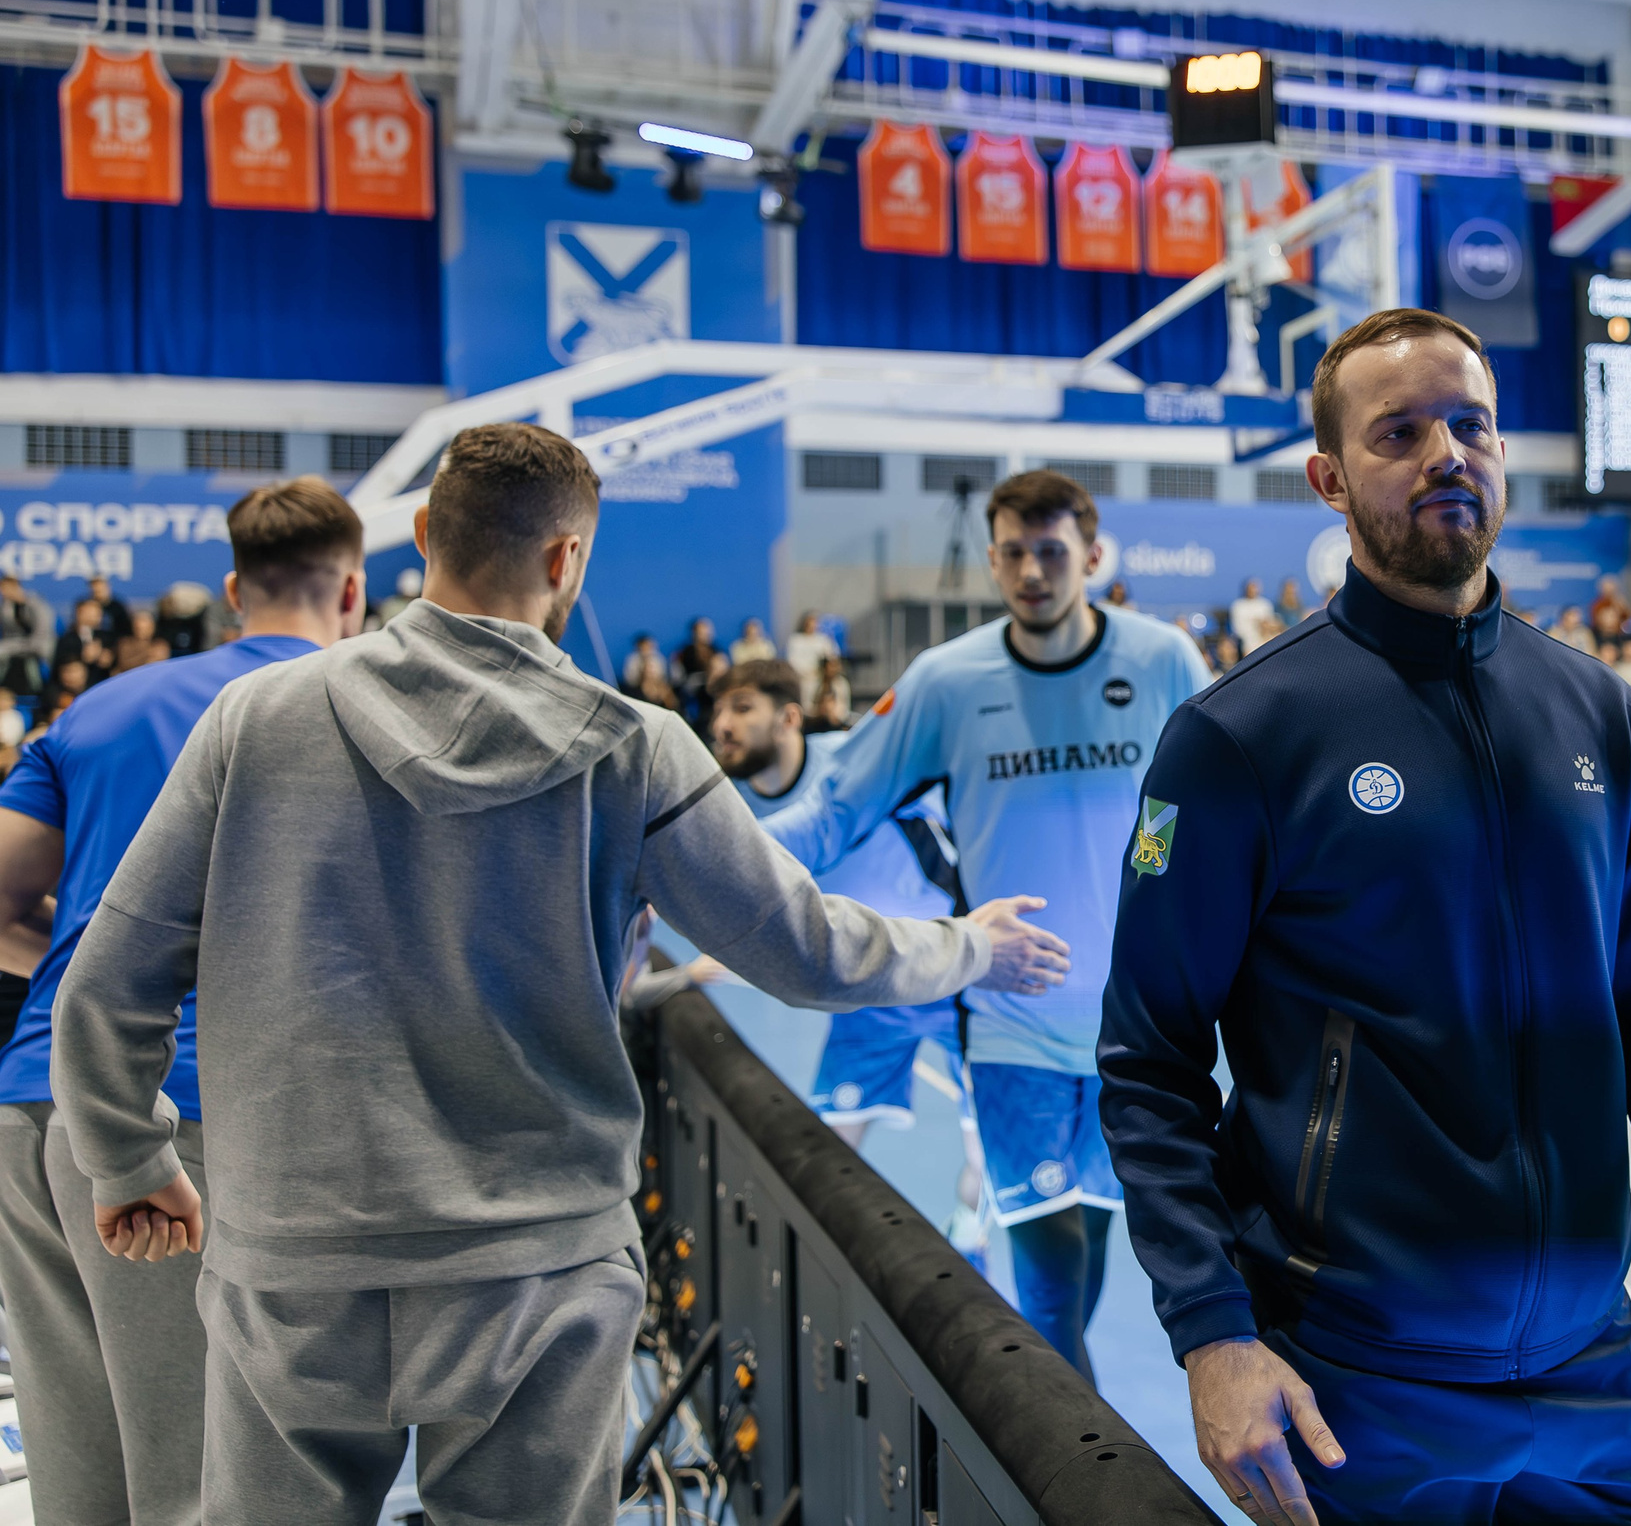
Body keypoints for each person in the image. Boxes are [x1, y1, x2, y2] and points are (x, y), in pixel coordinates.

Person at [49, 423, 1068, 1526]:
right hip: (540, 1271)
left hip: (298, 1262)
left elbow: (108, 980)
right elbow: (808, 948)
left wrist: (126, 1155)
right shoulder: (634, 749)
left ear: (427, 534)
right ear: (566, 563)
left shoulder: (255, 720)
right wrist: (972, 944)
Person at [1100, 309, 1631, 1526]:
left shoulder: (1594, 714)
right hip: (1355, 1385)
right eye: (1400, 431)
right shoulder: (1240, 737)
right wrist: (1213, 1338)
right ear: (1328, 479)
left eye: (1470, 424)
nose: (1446, 453)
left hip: (1589, 1379)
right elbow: (1149, 1063)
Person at [762, 468, 1211, 1383]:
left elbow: (1227, 801)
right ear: (995, 557)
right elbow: (832, 811)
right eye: (1013, 552)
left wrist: (1164, 864)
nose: (1032, 571)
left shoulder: (1162, 660)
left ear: (1090, 555)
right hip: (1013, 1031)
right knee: (1047, 1291)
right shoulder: (947, 681)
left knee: (1080, 1267)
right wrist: (685, 859)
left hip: (1141, 1035)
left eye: (1052, 552)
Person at [0, 480, 366, 1526]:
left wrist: (93, 995)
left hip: (30, 1112)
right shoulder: (349, 705)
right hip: (184, 1128)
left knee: (84, 1485)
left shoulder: (104, 705)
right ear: (352, 590)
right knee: (196, 1488)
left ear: (229, 591)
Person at [704, 657, 990, 1261]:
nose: (721, 725)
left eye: (741, 708)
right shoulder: (729, 811)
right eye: (718, 710)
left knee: (984, 1158)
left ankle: (970, 1233)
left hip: (953, 972)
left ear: (787, 718)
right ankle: (812, 1273)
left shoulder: (856, 759)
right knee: (829, 1152)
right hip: (868, 983)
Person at [0, 577, 52, 696]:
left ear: (16, 586)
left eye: (5, 588)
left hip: (37, 649)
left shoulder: (37, 604)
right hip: (15, 649)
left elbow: (41, 635)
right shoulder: (6, 608)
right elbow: (8, 635)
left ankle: (36, 690)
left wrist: (12, 647)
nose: (3, 592)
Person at [1230, 577, 1283, 655]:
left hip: (1265, 636)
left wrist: (1265, 626)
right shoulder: (1238, 605)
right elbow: (1237, 628)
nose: (1253, 590)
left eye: (1255, 587)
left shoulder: (1265, 604)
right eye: (1250, 587)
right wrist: (1256, 625)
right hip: (1248, 637)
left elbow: (1270, 622)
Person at [785, 609, 837, 687]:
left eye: (814, 623)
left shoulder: (823, 640)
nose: (812, 626)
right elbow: (792, 661)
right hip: (801, 678)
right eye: (809, 623)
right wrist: (806, 673)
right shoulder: (795, 640)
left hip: (821, 677)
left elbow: (831, 657)